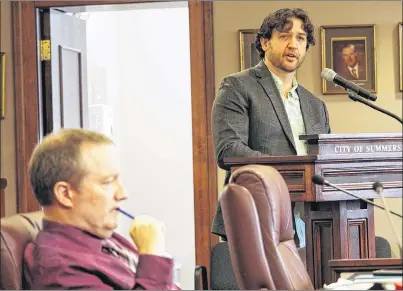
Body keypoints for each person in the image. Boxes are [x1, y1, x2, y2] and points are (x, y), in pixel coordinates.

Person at [211, 8, 331, 245]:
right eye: (284, 36)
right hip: (254, 214)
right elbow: (229, 150)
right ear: (265, 42)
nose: (293, 45)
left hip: (310, 221)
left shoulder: (316, 105)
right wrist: (291, 174)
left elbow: (325, 160)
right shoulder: (237, 86)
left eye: (300, 38)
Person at [23, 128, 179, 290]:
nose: (123, 194)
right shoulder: (60, 269)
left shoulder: (104, 238)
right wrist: (152, 255)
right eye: (108, 182)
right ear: (65, 194)